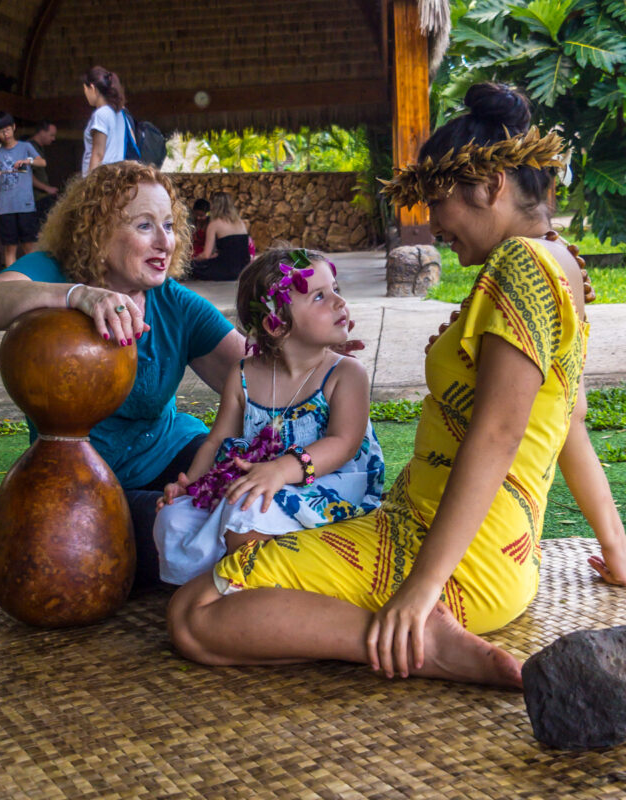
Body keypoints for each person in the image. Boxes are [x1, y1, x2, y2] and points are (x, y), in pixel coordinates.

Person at [166, 82, 626, 687]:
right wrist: (616, 549)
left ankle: (420, 641)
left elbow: (498, 434)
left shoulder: (520, 267)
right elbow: (570, 424)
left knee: (193, 613)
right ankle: (407, 624)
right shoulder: (561, 264)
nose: (432, 224)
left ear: (490, 188)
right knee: (230, 573)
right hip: (449, 541)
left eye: (439, 203)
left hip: (452, 561)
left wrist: (419, 592)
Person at [0, 161, 245, 585]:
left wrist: (313, 351)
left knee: (249, 497)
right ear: (98, 233)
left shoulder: (174, 302)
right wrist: (77, 296)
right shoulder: (55, 273)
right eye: (144, 226)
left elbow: (255, 377)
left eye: (169, 226)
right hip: (88, 484)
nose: (164, 242)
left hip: (175, 452)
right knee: (182, 534)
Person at [153, 247, 385, 585]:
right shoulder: (244, 374)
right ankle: (227, 579)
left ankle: (258, 587)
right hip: (263, 481)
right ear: (276, 325)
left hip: (331, 483)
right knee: (172, 518)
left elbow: (344, 443)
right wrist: (192, 483)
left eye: (336, 289)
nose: (339, 303)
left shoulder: (346, 373)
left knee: (246, 509)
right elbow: (217, 438)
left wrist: (281, 469)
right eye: (320, 296)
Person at [0, 111, 46, 269]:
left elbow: (42, 162)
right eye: (0, 131)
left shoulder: (26, 147)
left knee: (29, 246)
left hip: (25, 204)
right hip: (5, 207)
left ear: (13, 127)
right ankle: (11, 283)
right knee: (10, 247)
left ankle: (33, 277)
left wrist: (28, 160)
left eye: (7, 129)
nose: (5, 133)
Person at [190, 191, 251, 281]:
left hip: (225, 270)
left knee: (191, 267)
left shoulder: (214, 224)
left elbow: (206, 255)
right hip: (243, 269)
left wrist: (194, 260)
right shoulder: (240, 222)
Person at [82, 66, 127, 175]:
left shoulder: (100, 115)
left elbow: (98, 154)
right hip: (116, 175)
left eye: (85, 89)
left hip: (102, 179)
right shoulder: (120, 112)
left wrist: (90, 185)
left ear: (92, 88)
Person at [29, 120, 59, 222]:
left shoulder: (39, 148)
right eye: (51, 135)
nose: (53, 138)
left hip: (42, 197)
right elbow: (27, 175)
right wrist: (47, 188)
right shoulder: (30, 148)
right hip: (36, 199)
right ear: (42, 132)